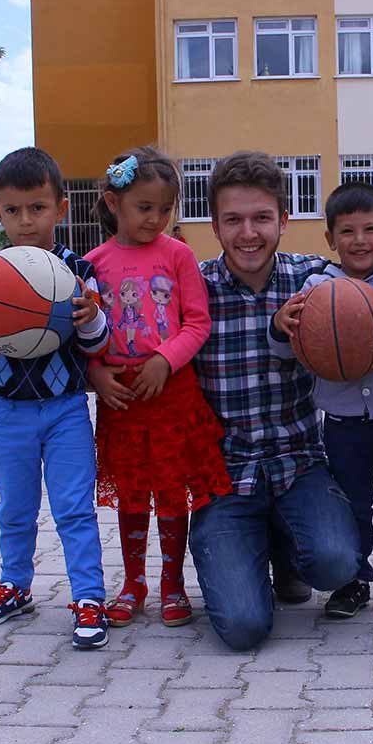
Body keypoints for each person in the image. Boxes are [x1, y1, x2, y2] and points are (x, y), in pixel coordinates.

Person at [188, 150, 360, 650]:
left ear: (284, 220)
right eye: (234, 220)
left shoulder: (315, 282)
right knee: (243, 629)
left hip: (299, 464)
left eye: (262, 217)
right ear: (215, 227)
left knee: (337, 564)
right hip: (225, 477)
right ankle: (244, 547)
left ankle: (286, 549)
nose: (249, 233)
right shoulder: (193, 289)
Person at [0, 147, 110, 649]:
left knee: (73, 508)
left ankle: (89, 597)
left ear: (60, 209)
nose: (26, 221)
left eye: (37, 208)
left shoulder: (78, 272)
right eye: (14, 210)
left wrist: (93, 320)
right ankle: (15, 585)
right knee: (15, 507)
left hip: (65, 410)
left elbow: (97, 344)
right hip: (6, 412)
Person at [267, 182, 373, 619]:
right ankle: (355, 580)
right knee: (353, 505)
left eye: (369, 229)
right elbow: (291, 349)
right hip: (342, 423)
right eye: (347, 231)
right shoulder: (317, 287)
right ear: (330, 239)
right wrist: (280, 325)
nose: (359, 240)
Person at [86, 147, 232, 629]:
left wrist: (164, 361)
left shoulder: (180, 255)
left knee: (171, 495)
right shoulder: (91, 264)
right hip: (122, 401)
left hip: (171, 394)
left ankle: (172, 583)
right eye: (144, 208)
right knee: (131, 495)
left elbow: (197, 322)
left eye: (165, 209)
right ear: (113, 203)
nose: (156, 219)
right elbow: (80, 334)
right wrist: (95, 375)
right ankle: (133, 583)